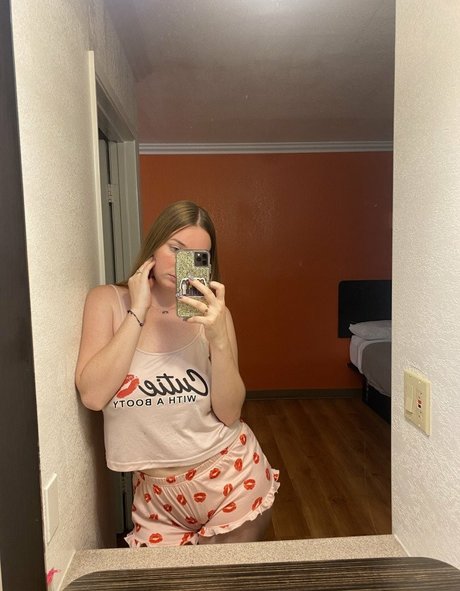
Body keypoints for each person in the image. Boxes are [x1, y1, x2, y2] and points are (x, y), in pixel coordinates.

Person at [75, 200, 279, 547]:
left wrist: (219, 340)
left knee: (225, 576)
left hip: (230, 476)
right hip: (155, 498)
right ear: (154, 244)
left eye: (198, 255)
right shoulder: (106, 301)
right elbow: (93, 396)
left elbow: (230, 412)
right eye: (175, 248)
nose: (182, 263)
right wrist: (138, 310)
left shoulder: (214, 316)